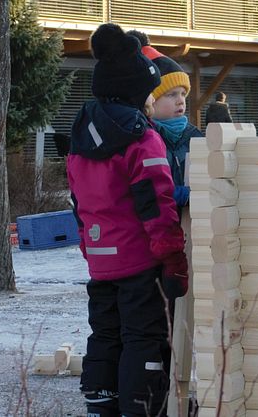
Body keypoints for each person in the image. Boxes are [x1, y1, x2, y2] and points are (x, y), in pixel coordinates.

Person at [67, 23, 188, 417]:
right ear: (139, 93)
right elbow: (156, 202)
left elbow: (78, 202)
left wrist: (90, 248)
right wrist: (173, 259)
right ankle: (141, 406)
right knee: (144, 336)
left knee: (105, 332)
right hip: (139, 260)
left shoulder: (81, 134)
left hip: (101, 260)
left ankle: (101, 400)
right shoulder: (142, 136)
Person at [127, 30, 203, 211]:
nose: (180, 100)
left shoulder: (196, 136)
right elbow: (146, 189)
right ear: (150, 99)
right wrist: (185, 195)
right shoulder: (142, 138)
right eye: (171, 94)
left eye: (183, 94)